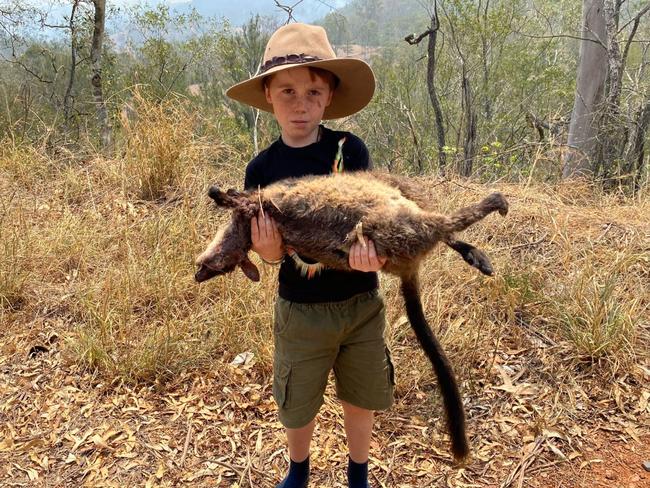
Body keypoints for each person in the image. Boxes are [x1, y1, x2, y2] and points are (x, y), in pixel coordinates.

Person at [226, 23, 393, 488]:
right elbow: (268, 251)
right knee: (297, 398)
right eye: (288, 91)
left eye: (313, 91)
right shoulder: (261, 169)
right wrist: (269, 252)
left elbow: (371, 215)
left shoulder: (349, 150)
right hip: (299, 310)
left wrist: (373, 255)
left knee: (360, 394)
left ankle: (357, 472)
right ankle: (298, 470)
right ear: (268, 94)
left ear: (330, 95)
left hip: (361, 302)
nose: (301, 104)